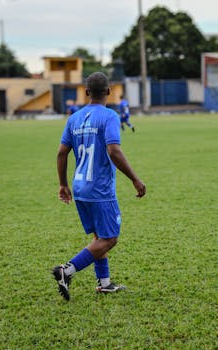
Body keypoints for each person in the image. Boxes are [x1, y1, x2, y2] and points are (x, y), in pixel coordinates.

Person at [52, 72, 146, 301]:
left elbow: (62, 153)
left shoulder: (74, 118)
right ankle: (67, 270)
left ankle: (104, 283)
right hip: (100, 189)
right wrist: (135, 178)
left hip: (80, 187)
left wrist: (63, 184)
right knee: (110, 238)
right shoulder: (109, 116)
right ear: (109, 92)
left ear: (86, 93)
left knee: (99, 236)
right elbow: (114, 150)